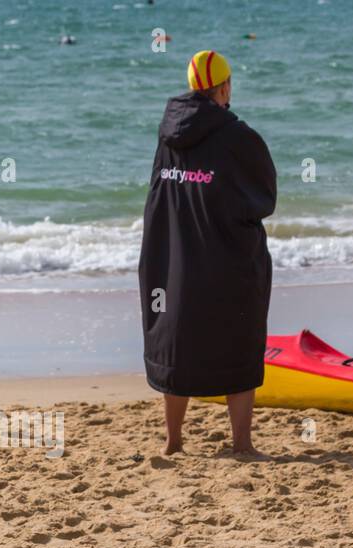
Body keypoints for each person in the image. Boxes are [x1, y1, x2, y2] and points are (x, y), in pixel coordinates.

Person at [138, 48, 277, 457]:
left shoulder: (168, 134)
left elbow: (159, 194)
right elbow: (264, 198)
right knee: (238, 337)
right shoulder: (239, 137)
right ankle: (242, 444)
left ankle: (174, 442)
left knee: (174, 341)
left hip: (172, 254)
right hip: (227, 255)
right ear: (224, 86)